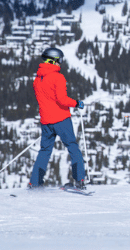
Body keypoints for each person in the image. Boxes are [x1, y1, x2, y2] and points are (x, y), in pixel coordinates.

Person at [29, 47, 87, 189]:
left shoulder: (37, 80)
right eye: (59, 61)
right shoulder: (58, 77)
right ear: (53, 60)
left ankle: (35, 182)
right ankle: (80, 181)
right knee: (72, 147)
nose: (60, 64)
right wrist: (76, 103)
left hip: (46, 121)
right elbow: (62, 100)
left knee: (44, 151)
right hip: (61, 119)